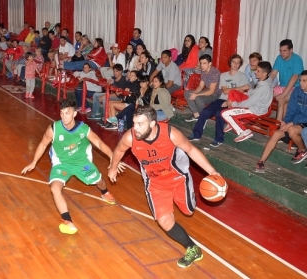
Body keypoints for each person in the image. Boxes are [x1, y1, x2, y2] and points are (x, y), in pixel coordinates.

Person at [108, 105, 219, 268]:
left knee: (188, 210)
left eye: (140, 124)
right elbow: (118, 150)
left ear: (153, 124)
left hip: (178, 177)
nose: (135, 128)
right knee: (164, 221)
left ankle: (187, 194)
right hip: (155, 183)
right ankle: (192, 248)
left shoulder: (171, 134)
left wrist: (212, 171)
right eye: (134, 123)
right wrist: (113, 167)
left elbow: (192, 150)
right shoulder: (130, 137)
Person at [21, 99, 124, 234]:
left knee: (99, 181)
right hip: (62, 163)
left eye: (67, 113)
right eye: (62, 113)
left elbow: (99, 144)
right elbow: (43, 144)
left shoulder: (84, 129)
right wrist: (34, 162)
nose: (64, 117)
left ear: (74, 114)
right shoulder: (54, 129)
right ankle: (67, 221)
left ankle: (104, 193)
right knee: (54, 188)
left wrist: (113, 158)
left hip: (82, 162)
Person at [187, 54, 248, 146]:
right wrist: (240, 87)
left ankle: (219, 139)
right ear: (230, 63)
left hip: (233, 102)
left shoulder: (242, 76)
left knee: (219, 114)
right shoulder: (223, 75)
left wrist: (232, 94)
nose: (235, 64)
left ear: (240, 65)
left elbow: (241, 93)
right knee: (204, 112)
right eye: (233, 62)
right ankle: (196, 134)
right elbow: (224, 90)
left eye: (238, 63)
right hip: (221, 99)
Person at [256, 70, 307, 172]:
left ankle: (302, 150)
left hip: (304, 121)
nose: (301, 83)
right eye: (300, 80)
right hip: (295, 121)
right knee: (276, 133)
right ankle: (261, 162)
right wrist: (285, 121)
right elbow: (291, 109)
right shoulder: (297, 91)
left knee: (292, 130)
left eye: (304, 81)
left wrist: (292, 123)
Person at [221, 61, 273, 142]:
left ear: (265, 73)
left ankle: (245, 131)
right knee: (232, 92)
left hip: (255, 110)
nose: (255, 72)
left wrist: (234, 104)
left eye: (258, 71)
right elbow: (250, 93)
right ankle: (233, 122)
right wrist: (242, 93)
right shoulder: (262, 81)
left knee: (225, 114)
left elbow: (249, 102)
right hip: (251, 104)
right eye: (256, 70)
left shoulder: (263, 87)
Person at [270, 39, 304, 120]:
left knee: (281, 99)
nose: (282, 53)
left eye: (284, 51)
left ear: (291, 50)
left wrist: (283, 94)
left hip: (295, 88)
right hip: (281, 86)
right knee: (263, 93)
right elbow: (273, 74)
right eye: (280, 51)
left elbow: (295, 78)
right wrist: (263, 86)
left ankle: (278, 125)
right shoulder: (279, 58)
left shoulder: (297, 59)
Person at [184, 54, 221, 122]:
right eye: (201, 63)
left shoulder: (215, 73)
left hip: (215, 94)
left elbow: (211, 91)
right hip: (207, 91)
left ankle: (203, 117)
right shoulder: (204, 71)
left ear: (210, 63)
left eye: (204, 63)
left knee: (198, 98)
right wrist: (194, 93)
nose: (202, 65)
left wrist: (196, 95)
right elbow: (201, 86)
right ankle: (196, 115)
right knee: (187, 93)